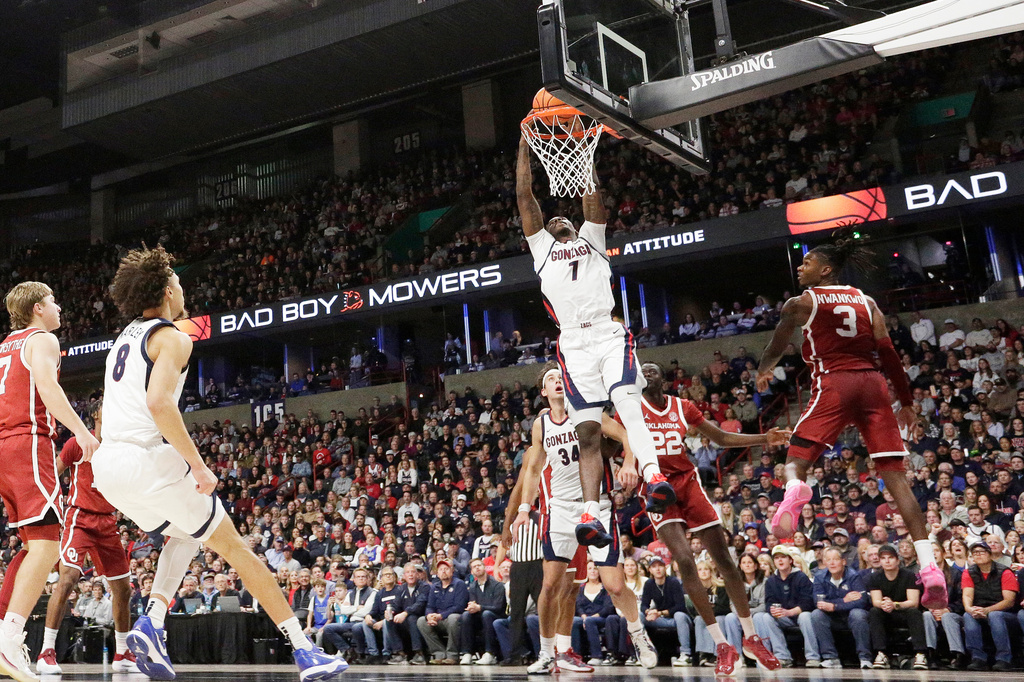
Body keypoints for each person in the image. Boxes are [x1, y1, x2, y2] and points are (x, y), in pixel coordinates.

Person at [89, 246, 346, 681]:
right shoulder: (172, 336)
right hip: (148, 460)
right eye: (178, 278)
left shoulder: (124, 338)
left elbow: (113, 408)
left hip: (109, 467)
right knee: (238, 550)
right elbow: (158, 404)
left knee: (185, 535)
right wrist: (199, 465)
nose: (182, 286)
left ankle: (152, 620)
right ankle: (305, 652)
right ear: (168, 289)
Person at [755, 229, 946, 610]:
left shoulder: (801, 302)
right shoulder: (866, 300)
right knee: (897, 480)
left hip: (835, 382)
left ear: (826, 270)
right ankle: (929, 568)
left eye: (807, 262)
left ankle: (796, 489)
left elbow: (778, 343)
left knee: (795, 458)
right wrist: (905, 400)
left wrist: (764, 368)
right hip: (874, 385)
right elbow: (889, 352)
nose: (800, 266)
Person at [517, 137, 676, 549]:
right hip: (572, 343)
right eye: (550, 224)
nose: (556, 222)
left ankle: (654, 475)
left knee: (626, 401)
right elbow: (524, 196)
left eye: (562, 221)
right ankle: (591, 514)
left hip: (606, 332)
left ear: (573, 226)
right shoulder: (540, 251)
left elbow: (593, 198)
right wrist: (523, 147)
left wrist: (582, 154)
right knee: (586, 431)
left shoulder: (593, 241)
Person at [625, 363, 784, 674]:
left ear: (664, 378)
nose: (647, 370)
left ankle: (751, 636)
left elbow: (722, 438)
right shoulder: (631, 409)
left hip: (687, 482)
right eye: (642, 369)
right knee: (684, 559)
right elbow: (618, 441)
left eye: (653, 368)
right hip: (657, 488)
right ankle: (720, 643)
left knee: (724, 559)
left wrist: (766, 438)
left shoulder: (682, 406)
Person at [505, 364, 657, 674]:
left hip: (596, 505)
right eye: (551, 379)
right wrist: (523, 510)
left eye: (561, 377)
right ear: (544, 392)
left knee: (614, 585)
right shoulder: (540, 425)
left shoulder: (587, 414)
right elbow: (533, 469)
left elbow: (627, 434)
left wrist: (628, 462)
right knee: (550, 586)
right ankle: (549, 653)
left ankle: (639, 634)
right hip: (559, 508)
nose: (558, 381)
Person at [0, 281, 100, 682]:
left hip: (5, 446)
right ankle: (8, 640)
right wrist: (81, 431)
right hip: (27, 441)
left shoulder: (4, 346)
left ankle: (5, 631)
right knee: (47, 544)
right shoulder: (41, 339)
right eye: (54, 301)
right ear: (39, 308)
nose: (60, 307)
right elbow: (48, 387)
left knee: (33, 544)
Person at [36, 401, 139, 675]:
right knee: (68, 578)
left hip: (107, 521)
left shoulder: (121, 447)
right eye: (106, 404)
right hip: (79, 518)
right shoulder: (78, 443)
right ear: (95, 414)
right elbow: (52, 474)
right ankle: (46, 651)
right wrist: (48, 507)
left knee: (123, 589)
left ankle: (121, 651)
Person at [752, 546, 817, 668]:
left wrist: (790, 612)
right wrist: (773, 609)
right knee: (766, 617)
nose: (780, 561)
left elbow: (808, 602)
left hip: (799, 614)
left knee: (805, 616)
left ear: (790, 560)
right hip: (784, 617)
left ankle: (812, 657)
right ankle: (782, 656)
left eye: (783, 557)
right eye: (776, 558)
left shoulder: (801, 577)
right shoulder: (771, 581)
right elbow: (769, 602)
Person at [809, 547, 871, 669]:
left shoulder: (853, 576)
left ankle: (865, 658)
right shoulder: (820, 577)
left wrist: (835, 605)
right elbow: (819, 602)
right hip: (833, 617)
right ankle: (830, 657)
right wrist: (843, 600)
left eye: (835, 559)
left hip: (850, 616)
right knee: (816, 614)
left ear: (843, 561)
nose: (832, 563)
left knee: (858, 613)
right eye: (828, 560)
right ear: (825, 562)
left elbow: (862, 601)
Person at [867, 544, 927, 669]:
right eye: (883, 558)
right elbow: (876, 601)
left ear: (897, 560)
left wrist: (894, 605)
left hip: (903, 611)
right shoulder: (875, 577)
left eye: (890, 558)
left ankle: (920, 653)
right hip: (886, 612)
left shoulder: (909, 575)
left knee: (914, 612)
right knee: (874, 611)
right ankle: (881, 653)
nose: (887, 561)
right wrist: (884, 604)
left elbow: (913, 602)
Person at [962, 541, 1017, 671]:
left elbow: (1009, 601)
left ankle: (1004, 658)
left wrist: (988, 610)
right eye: (975, 553)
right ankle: (978, 658)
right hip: (980, 610)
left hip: (1005, 613)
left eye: (982, 552)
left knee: (995, 615)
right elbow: (967, 595)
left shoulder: (1004, 572)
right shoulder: (968, 572)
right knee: (968, 615)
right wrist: (970, 608)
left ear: (990, 554)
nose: (978, 555)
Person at [416, 558, 468, 664]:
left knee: (454, 618)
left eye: (446, 568)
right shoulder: (434, 586)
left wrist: (440, 615)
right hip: (438, 619)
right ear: (437, 573)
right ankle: (439, 653)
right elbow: (430, 605)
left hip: (452, 619)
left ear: (452, 570)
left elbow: (459, 606)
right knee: (421, 621)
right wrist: (429, 616)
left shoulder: (459, 584)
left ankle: (452, 655)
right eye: (440, 569)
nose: (443, 571)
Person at [460, 558, 505, 665]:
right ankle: (467, 653)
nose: (477, 568)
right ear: (472, 572)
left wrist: (480, 607)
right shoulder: (472, 586)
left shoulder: (497, 585)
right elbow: (473, 604)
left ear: (484, 567)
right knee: (466, 615)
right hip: (480, 616)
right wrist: (471, 607)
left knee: (487, 614)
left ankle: (490, 653)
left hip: (496, 616)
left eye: (479, 565)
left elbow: (498, 607)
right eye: (474, 567)